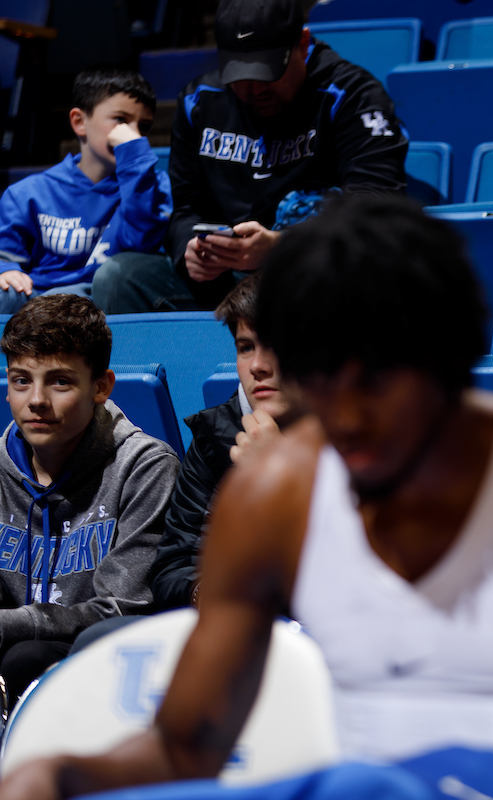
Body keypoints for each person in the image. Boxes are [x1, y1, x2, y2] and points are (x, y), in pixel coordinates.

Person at [0, 195, 493, 800]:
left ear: (449, 365)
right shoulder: (274, 489)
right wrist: (59, 774)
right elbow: (187, 745)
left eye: (374, 385)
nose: (346, 415)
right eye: (320, 380)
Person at [92, 0, 408, 314]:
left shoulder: (353, 94)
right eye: (240, 74)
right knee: (118, 277)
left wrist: (281, 246)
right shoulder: (198, 101)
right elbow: (184, 207)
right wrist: (190, 250)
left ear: (302, 43)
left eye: (267, 72)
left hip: (313, 275)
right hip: (226, 279)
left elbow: (375, 210)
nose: (255, 89)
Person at [0, 295, 178, 699]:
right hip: (14, 640)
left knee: (24, 657)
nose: (36, 401)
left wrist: (13, 624)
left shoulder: (145, 467)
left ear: (101, 387)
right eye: (20, 380)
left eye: (60, 381)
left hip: (103, 655)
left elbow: (122, 608)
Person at [150, 272, 303, 610]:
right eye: (245, 348)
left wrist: (276, 481)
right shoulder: (215, 435)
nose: (258, 366)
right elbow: (173, 570)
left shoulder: (363, 440)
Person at [0, 67, 171, 314]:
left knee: (64, 304)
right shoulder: (28, 193)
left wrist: (134, 159)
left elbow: (140, 246)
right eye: (121, 120)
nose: (133, 134)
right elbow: (5, 255)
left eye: (143, 127)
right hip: (36, 296)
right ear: (80, 122)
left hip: (99, 298)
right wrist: (6, 270)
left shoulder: (152, 186)